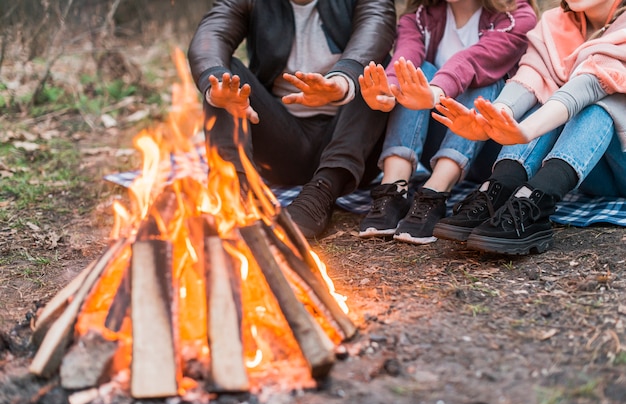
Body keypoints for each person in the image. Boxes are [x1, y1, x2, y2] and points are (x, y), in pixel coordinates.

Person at [187, 0, 397, 239]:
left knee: (376, 70)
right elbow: (212, 33)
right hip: (281, 142)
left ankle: (322, 192)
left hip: (352, 148)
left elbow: (377, 24)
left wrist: (343, 81)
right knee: (223, 80)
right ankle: (234, 189)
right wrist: (215, 83)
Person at [431, 0, 626, 255]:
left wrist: (526, 131)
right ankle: (500, 189)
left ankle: (539, 199)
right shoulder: (554, 23)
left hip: (620, 165)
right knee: (544, 92)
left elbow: (589, 84)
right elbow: (530, 77)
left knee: (600, 102)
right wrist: (493, 119)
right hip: (586, 171)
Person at [357, 0, 538, 244]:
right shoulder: (419, 18)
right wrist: (388, 90)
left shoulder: (517, 16)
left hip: (490, 144)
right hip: (436, 140)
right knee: (417, 71)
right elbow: (405, 56)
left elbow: (474, 60)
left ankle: (435, 193)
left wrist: (435, 92)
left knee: (487, 82)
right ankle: (394, 190)